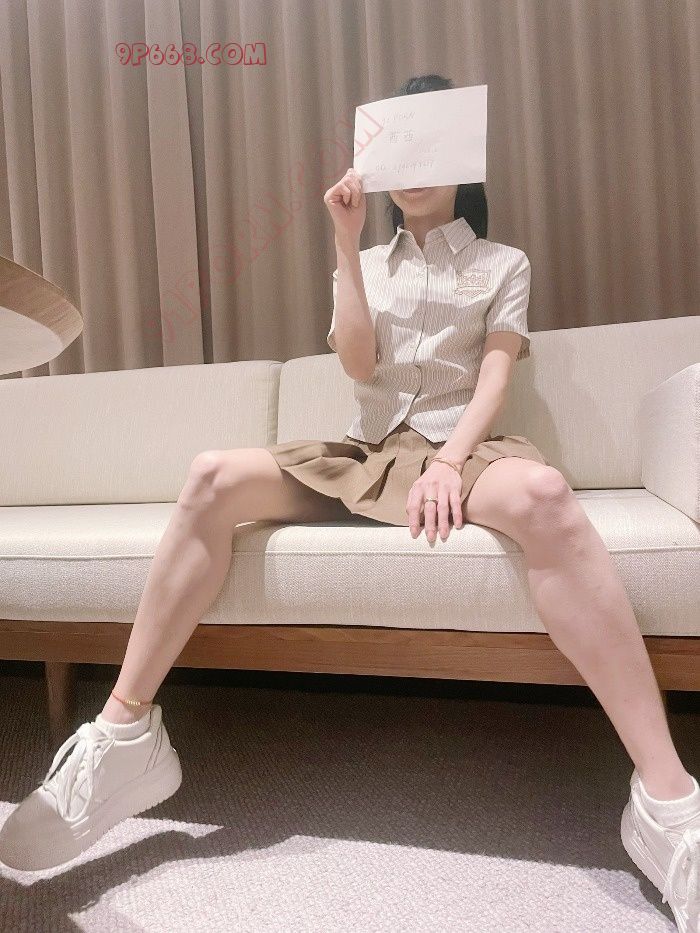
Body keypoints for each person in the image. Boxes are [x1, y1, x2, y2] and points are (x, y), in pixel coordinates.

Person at [1, 72, 697, 932]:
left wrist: (449, 461)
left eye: (431, 146)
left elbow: (494, 376)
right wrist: (343, 241)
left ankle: (667, 803)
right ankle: (124, 735)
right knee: (212, 475)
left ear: (463, 157)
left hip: (462, 449)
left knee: (548, 494)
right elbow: (360, 366)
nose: (414, 169)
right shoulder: (365, 263)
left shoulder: (502, 263)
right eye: (398, 148)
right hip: (367, 455)